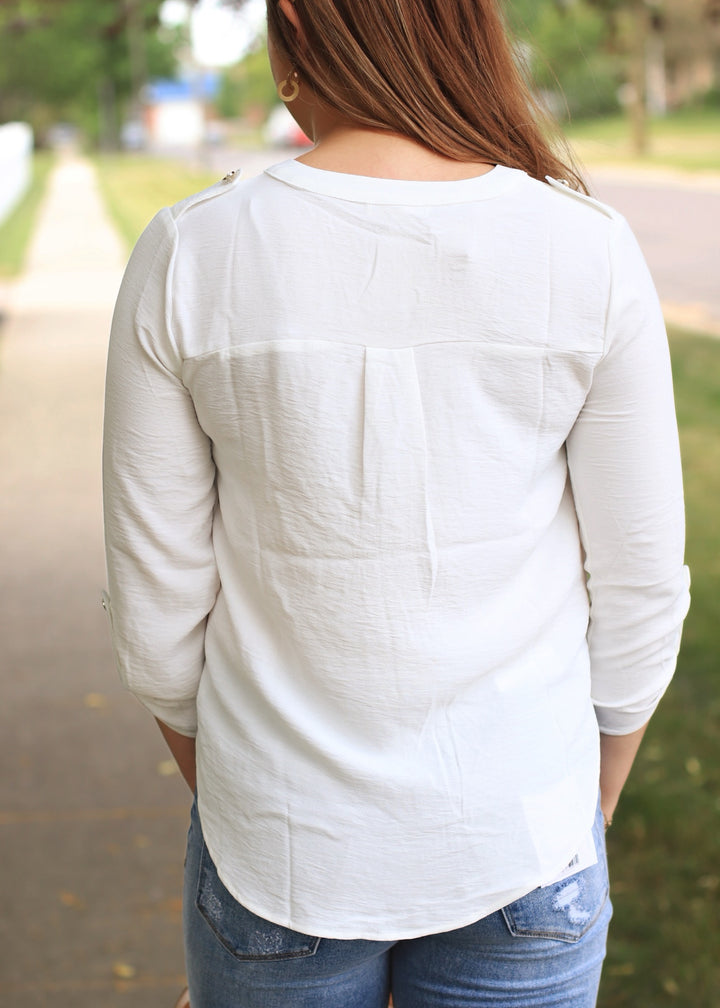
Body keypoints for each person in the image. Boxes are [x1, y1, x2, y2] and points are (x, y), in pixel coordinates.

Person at [102, 1, 690, 1005]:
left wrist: (242, 797)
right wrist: (581, 805)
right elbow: (639, 593)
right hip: (525, 836)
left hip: (279, 849)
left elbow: (158, 617)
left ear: (294, 26)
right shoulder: (585, 248)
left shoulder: (190, 253)